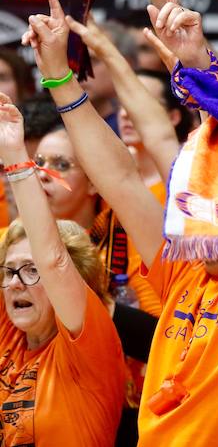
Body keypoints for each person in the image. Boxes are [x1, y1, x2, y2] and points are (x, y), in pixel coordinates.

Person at [25, 0, 218, 444]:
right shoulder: (185, 268)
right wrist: (59, 79)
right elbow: (122, 182)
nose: (197, 207)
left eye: (214, 196)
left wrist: (201, 69)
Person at [0, 92, 125, 445]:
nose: (16, 284)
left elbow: (53, 260)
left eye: (30, 270)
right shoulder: (11, 333)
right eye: (9, 272)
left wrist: (16, 159)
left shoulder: (87, 345)